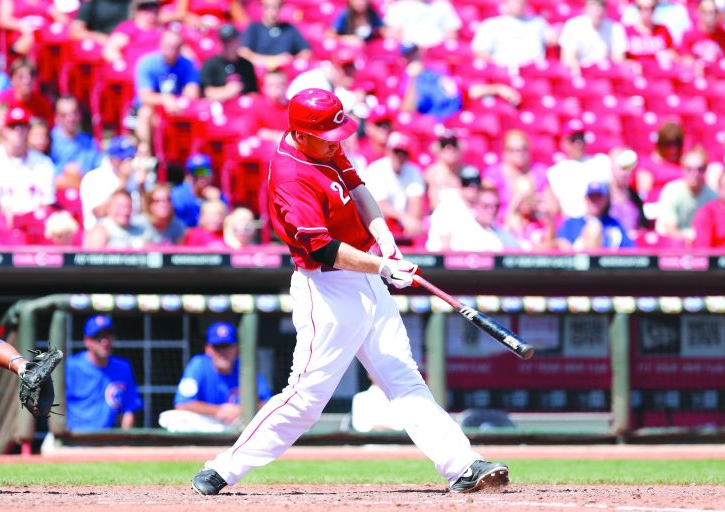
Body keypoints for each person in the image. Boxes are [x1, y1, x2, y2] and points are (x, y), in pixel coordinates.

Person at [191, 88, 510, 495]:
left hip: (364, 275)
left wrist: (386, 241)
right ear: (302, 134)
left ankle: (463, 465)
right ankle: (223, 469)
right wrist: (381, 265)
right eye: (328, 136)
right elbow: (323, 248)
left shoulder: (325, 145)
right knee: (305, 398)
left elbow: (358, 189)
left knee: (403, 376)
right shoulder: (290, 175)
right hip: (326, 289)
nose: (337, 141)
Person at [160, 322, 272, 433]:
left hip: (238, 421)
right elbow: (182, 404)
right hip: (207, 421)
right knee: (172, 418)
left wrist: (240, 410)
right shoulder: (198, 364)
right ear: (208, 349)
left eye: (227, 346)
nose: (222, 352)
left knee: (264, 419)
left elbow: (268, 404)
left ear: (236, 348)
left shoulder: (245, 367)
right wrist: (219, 410)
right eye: (217, 347)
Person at [66, 315, 142, 432]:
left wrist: (124, 444)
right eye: (98, 337)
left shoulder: (122, 367)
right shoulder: (71, 366)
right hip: (74, 439)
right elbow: (54, 406)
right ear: (87, 341)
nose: (105, 342)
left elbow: (128, 409)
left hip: (106, 440)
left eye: (108, 336)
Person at [133, 28, 201, 156]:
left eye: (176, 47)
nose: (171, 50)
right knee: (146, 113)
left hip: (177, 109)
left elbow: (192, 93)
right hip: (153, 109)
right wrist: (165, 100)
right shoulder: (147, 63)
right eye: (168, 46)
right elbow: (144, 96)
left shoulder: (188, 64)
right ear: (161, 45)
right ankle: (146, 153)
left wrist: (174, 101)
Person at [362, 131, 426, 241]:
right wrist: (405, 218)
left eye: (403, 152)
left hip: (403, 225)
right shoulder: (376, 169)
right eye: (397, 151)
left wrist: (411, 222)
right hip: (380, 224)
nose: (399, 156)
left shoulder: (413, 171)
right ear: (388, 151)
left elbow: (416, 201)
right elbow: (379, 204)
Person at [0, 107, 57, 218]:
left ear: (29, 130)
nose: (18, 131)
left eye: (22, 126)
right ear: (4, 130)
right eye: (13, 126)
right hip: (2, 221)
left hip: (35, 221)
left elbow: (47, 202)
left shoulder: (43, 162)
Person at [545, 119, 610, 219]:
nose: (579, 142)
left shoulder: (601, 161)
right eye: (573, 138)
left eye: (581, 137)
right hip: (571, 224)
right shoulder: (555, 172)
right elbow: (554, 208)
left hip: (600, 220)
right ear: (564, 142)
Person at [80, 135, 148, 230]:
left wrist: (142, 188)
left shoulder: (137, 176)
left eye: (131, 157)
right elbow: (99, 212)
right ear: (112, 159)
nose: (128, 161)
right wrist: (123, 182)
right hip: (102, 234)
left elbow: (146, 216)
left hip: (133, 235)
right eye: (123, 158)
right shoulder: (94, 178)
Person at [482, 129, 548, 224]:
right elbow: (485, 209)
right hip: (501, 227)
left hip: (535, 227)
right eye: (514, 150)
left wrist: (538, 205)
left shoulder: (539, 172)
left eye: (523, 149)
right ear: (504, 151)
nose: (519, 153)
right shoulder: (493, 175)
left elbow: (553, 208)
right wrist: (517, 200)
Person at [655, 145, 717, 245]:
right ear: (682, 169)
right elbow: (669, 229)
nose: (695, 173)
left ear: (706, 170)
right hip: (670, 246)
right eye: (689, 169)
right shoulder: (671, 191)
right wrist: (689, 242)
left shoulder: (713, 195)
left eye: (700, 169)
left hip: (700, 245)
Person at [471, 0, 558, 70]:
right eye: (516, 2)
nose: (519, 5)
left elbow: (553, 41)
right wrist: (498, 69)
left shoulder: (537, 22)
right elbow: (480, 51)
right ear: (505, 3)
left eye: (522, 2)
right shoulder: (491, 24)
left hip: (535, 72)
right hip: (504, 72)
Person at [556, 181, 635, 250]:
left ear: (605, 200)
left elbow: (630, 249)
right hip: (580, 265)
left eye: (598, 197)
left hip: (610, 265)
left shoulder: (613, 224)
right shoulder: (572, 223)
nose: (595, 202)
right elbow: (561, 246)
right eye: (592, 197)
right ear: (585, 199)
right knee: (594, 228)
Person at [558, 0, 627, 76]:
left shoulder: (615, 28)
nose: (597, 9)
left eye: (600, 5)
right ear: (586, 8)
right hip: (581, 72)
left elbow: (618, 60)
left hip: (605, 73)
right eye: (593, 4)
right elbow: (567, 58)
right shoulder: (573, 25)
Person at [238, 0, 312, 69]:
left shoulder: (289, 29)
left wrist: (291, 59)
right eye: (268, 7)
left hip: (285, 72)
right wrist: (271, 61)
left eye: (276, 7)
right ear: (262, 8)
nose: (273, 12)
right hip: (261, 73)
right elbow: (243, 52)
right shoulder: (254, 28)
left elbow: (305, 52)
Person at [199, 24, 259, 102]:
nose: (228, 46)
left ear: (238, 41)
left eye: (231, 41)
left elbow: (253, 93)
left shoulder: (246, 65)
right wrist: (227, 91)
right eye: (225, 42)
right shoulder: (211, 64)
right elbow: (206, 92)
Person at [424, 129, 480, 211]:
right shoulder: (431, 174)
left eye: (453, 144)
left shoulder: (470, 173)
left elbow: (474, 200)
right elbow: (434, 205)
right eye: (444, 144)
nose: (449, 148)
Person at [631, 119, 685, 203]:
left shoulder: (684, 163)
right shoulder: (647, 164)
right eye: (668, 144)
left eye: (676, 143)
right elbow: (644, 194)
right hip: (656, 206)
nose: (673, 149)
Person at [50, 95, 104, 178]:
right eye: (64, 115)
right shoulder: (49, 142)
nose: (70, 118)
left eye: (74, 113)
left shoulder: (89, 142)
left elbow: (100, 168)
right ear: (56, 117)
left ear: (79, 115)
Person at [83, 190, 151, 248]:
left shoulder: (139, 231)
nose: (125, 211)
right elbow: (93, 260)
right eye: (120, 206)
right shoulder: (100, 231)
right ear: (109, 207)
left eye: (128, 206)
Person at [171, 153, 224, 228]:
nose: (200, 176)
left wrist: (216, 201)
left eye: (204, 171)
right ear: (188, 175)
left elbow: (225, 224)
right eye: (195, 172)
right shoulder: (178, 195)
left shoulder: (217, 195)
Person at [102, 0, 164, 64]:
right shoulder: (128, 28)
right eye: (145, 8)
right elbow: (110, 49)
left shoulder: (161, 29)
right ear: (137, 10)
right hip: (133, 69)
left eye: (154, 9)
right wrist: (120, 64)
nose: (151, 13)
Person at [0, 58, 53, 124]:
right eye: (21, 77)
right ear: (12, 79)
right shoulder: (1, 99)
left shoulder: (43, 103)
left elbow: (48, 128)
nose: (27, 81)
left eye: (31, 76)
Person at [383, 0, 461, 49]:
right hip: (409, 51)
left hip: (435, 52)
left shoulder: (442, 4)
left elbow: (451, 33)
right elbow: (392, 33)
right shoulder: (400, 6)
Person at [623, 0, 677, 66]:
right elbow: (620, 58)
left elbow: (673, 53)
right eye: (643, 8)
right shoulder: (627, 31)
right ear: (637, 8)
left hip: (659, 71)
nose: (647, 12)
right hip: (636, 73)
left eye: (652, 8)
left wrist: (668, 55)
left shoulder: (663, 29)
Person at [246, 69, 290, 143]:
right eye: (272, 85)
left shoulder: (295, 107)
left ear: (287, 84)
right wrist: (278, 136)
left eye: (281, 83)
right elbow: (255, 133)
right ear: (264, 88)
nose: (277, 87)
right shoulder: (257, 107)